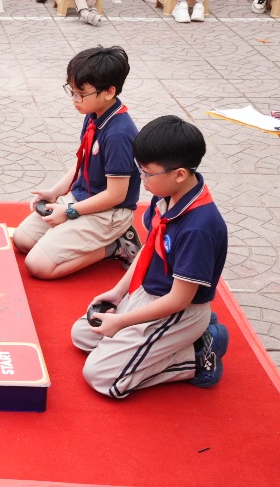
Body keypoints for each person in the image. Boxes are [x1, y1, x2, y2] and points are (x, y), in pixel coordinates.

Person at [72, 115, 230, 398]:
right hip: (148, 293)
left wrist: (122, 322)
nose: (141, 179)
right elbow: (150, 248)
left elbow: (180, 299)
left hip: (177, 310)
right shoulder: (168, 193)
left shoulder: (199, 227)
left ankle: (198, 355)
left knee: (100, 376)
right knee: (83, 334)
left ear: (179, 173)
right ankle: (173, 341)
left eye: (146, 173)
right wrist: (118, 293)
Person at [17, 46, 142, 280]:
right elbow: (81, 161)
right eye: (71, 91)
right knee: (22, 241)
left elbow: (116, 195)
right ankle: (83, 235)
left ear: (108, 91)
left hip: (108, 212)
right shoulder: (94, 113)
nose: (74, 99)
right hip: (81, 199)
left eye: (79, 94)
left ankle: (117, 246)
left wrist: (70, 212)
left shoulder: (118, 134)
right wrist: (55, 192)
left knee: (38, 266)